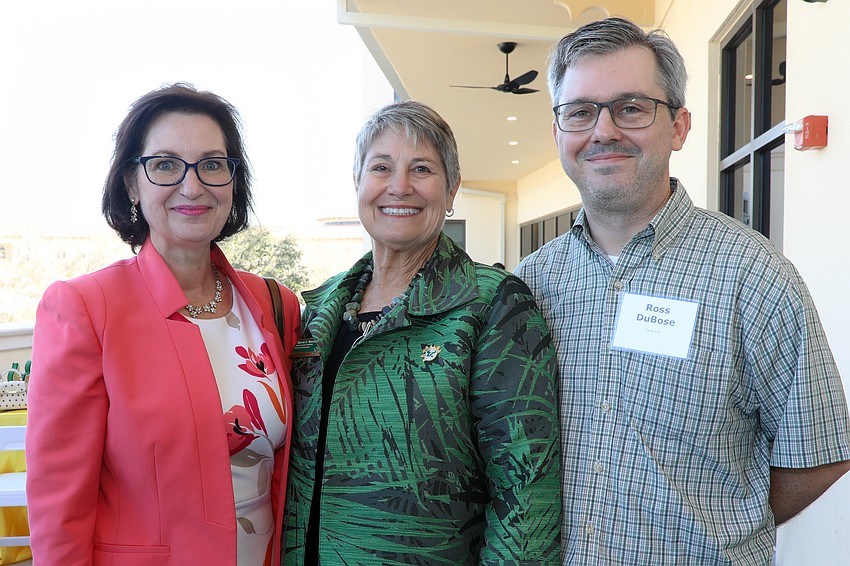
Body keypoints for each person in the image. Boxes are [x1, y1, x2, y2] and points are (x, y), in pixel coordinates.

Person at [515, 17, 850, 564]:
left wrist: (718, 526)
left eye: (631, 108)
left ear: (678, 127)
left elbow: (818, 458)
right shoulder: (529, 286)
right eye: (580, 112)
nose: (603, 132)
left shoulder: (754, 277)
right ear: (558, 133)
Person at [27, 83, 301, 565]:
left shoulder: (274, 304)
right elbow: (58, 504)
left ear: (234, 181)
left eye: (213, 164)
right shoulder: (86, 308)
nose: (192, 186)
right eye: (166, 164)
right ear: (133, 183)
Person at [283, 100, 561, 564]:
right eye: (381, 167)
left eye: (422, 169)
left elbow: (526, 488)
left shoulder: (492, 303)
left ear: (451, 191)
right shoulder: (317, 310)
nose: (399, 186)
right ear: (357, 183)